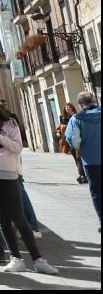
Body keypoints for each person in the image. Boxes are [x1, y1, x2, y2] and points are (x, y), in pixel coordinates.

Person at [0, 95, 58, 275]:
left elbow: (17, 147)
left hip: (9, 174)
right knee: (2, 218)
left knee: (18, 217)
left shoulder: (10, 125)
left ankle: (38, 259)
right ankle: (15, 258)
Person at [65, 90, 101, 229]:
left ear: (80, 104)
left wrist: (78, 148)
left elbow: (73, 140)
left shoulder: (77, 119)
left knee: (97, 191)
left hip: (91, 160)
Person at [59, 102, 88, 184]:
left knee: (79, 159)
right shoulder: (63, 118)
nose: (67, 109)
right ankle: (82, 174)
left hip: (76, 140)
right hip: (70, 140)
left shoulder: (76, 116)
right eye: (66, 108)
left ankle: (82, 175)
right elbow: (62, 128)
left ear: (72, 108)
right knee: (77, 159)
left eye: (69, 107)